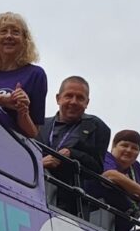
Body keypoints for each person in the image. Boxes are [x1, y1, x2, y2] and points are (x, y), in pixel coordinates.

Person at [35, 76, 111, 216]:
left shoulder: (97, 127)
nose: (73, 102)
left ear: (87, 102)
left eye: (80, 98)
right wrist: (41, 164)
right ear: (58, 98)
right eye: (69, 96)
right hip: (33, 193)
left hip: (71, 206)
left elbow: (97, 169)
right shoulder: (39, 125)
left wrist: (72, 154)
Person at [0, 12, 47, 137]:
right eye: (3, 31)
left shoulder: (35, 74)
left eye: (15, 32)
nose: (9, 36)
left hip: (5, 149)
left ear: (24, 40)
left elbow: (32, 133)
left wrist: (23, 112)